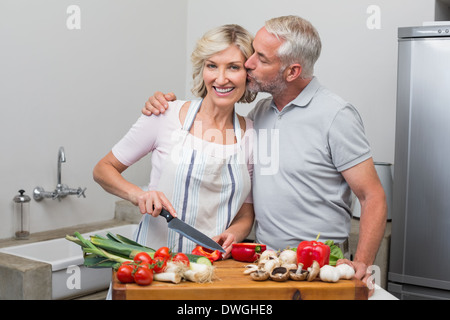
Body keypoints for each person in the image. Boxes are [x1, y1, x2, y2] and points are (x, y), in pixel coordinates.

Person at [142, 15, 387, 289]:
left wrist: (363, 264)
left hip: (322, 263)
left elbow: (372, 195)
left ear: (292, 72)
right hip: (267, 260)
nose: (249, 63)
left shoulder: (336, 115)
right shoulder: (260, 113)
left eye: (261, 58)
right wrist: (168, 108)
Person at [93, 24, 257, 255]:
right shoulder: (165, 114)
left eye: (233, 67)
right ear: (202, 69)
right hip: (152, 264)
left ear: (248, 74)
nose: (221, 79)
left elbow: (245, 213)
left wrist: (234, 234)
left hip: (210, 268)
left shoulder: (250, 134)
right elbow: (102, 169)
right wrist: (139, 194)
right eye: (212, 66)